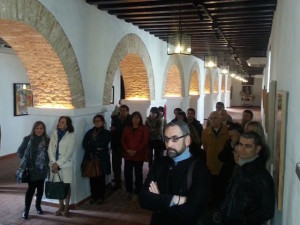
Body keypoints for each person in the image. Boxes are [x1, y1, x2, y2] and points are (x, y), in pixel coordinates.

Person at [139, 121, 210, 225]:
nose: (169, 144)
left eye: (175, 139)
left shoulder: (200, 170)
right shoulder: (159, 163)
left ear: (187, 140)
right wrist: (175, 199)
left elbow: (191, 212)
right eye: (166, 139)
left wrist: (159, 201)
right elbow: (144, 199)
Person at [221, 131, 275, 225]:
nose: (242, 149)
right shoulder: (239, 167)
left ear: (257, 149)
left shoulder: (261, 175)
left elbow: (267, 211)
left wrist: (243, 220)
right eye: (241, 144)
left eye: (248, 146)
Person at [17, 121, 50, 219]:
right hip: (32, 169)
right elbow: (20, 151)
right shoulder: (28, 139)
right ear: (33, 129)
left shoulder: (47, 140)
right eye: (37, 128)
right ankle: (26, 210)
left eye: (41, 128)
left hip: (43, 169)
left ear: (44, 130)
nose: (39, 130)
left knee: (40, 189)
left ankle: (38, 206)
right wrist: (26, 161)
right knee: (31, 190)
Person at [48, 116, 75, 216]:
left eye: (62, 122)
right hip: (54, 165)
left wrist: (58, 163)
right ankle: (61, 206)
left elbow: (69, 152)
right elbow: (50, 149)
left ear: (67, 125)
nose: (60, 124)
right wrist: (53, 162)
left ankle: (67, 206)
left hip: (65, 165)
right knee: (58, 186)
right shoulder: (54, 134)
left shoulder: (71, 135)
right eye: (59, 122)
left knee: (66, 186)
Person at [82, 115, 111, 204]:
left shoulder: (106, 132)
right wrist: (94, 147)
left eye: (99, 121)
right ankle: (93, 196)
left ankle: (100, 197)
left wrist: (91, 144)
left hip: (101, 158)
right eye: (95, 121)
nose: (97, 123)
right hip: (91, 158)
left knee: (100, 178)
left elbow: (102, 143)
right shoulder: (90, 132)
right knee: (92, 178)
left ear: (103, 122)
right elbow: (84, 143)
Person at [201, 111, 229, 205]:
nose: (213, 120)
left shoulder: (227, 131)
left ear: (220, 118)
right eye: (211, 118)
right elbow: (205, 146)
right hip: (211, 162)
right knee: (212, 184)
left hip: (224, 164)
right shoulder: (205, 132)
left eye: (215, 118)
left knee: (223, 184)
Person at [122, 111, 149, 198]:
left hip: (139, 154)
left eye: (137, 118)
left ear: (140, 119)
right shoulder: (127, 128)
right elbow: (123, 140)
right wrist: (128, 150)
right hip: (128, 155)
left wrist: (135, 150)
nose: (135, 119)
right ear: (131, 118)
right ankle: (129, 190)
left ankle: (138, 190)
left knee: (138, 173)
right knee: (127, 173)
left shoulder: (144, 128)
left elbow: (145, 142)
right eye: (134, 117)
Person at [218, 123, 243, 200]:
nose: (231, 138)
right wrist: (231, 145)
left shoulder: (243, 145)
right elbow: (221, 157)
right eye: (230, 136)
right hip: (227, 172)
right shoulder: (229, 142)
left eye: (233, 136)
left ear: (239, 134)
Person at [110, 104, 131, 190]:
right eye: (121, 110)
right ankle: (117, 183)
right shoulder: (115, 119)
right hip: (116, 144)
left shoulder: (130, 120)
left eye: (124, 110)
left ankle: (128, 183)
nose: (122, 112)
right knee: (116, 165)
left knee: (128, 166)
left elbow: (127, 131)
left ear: (127, 111)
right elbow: (113, 129)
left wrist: (116, 130)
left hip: (126, 145)